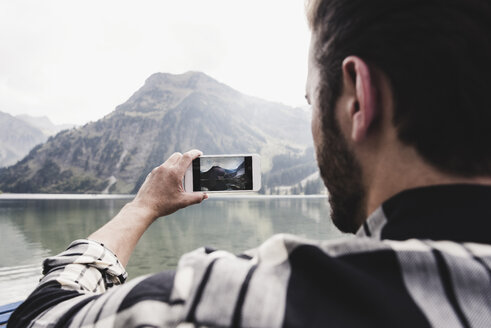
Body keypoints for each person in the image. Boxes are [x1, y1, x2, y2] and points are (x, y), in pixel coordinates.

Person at [9, 0, 491, 326]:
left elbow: (42, 315)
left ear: (358, 99)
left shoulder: (261, 292)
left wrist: (142, 208)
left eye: (311, 100)